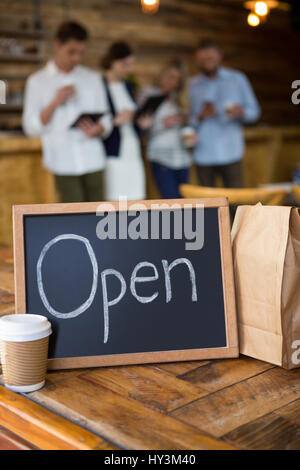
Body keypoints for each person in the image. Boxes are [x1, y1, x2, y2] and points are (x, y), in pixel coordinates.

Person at [23, 21, 111, 203]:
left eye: (81, 52)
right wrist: (55, 102)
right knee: (75, 223)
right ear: (57, 45)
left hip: (94, 159)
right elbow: (30, 128)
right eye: (71, 52)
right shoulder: (37, 81)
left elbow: (107, 118)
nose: (77, 58)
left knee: (101, 221)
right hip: (62, 162)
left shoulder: (92, 78)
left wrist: (100, 129)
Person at [189, 39, 261, 188]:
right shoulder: (191, 85)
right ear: (197, 59)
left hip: (231, 151)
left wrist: (241, 112)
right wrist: (200, 116)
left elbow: (254, 112)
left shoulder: (237, 79)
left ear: (220, 56)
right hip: (203, 154)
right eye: (203, 60)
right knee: (208, 207)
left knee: (236, 203)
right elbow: (185, 123)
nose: (207, 63)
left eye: (210, 59)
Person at [138, 60, 194, 199]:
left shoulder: (179, 99)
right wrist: (163, 123)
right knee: (171, 201)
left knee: (184, 203)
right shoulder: (149, 94)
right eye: (170, 76)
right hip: (161, 156)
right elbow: (141, 127)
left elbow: (188, 126)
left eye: (177, 80)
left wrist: (192, 137)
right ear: (162, 74)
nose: (173, 82)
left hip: (182, 157)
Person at [101, 41, 146, 201]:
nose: (129, 69)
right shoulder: (100, 86)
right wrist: (116, 121)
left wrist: (141, 125)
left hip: (132, 151)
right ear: (113, 61)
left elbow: (134, 122)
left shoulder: (128, 86)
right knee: (115, 201)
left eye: (130, 64)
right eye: (125, 64)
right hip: (113, 153)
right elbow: (99, 121)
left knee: (136, 201)